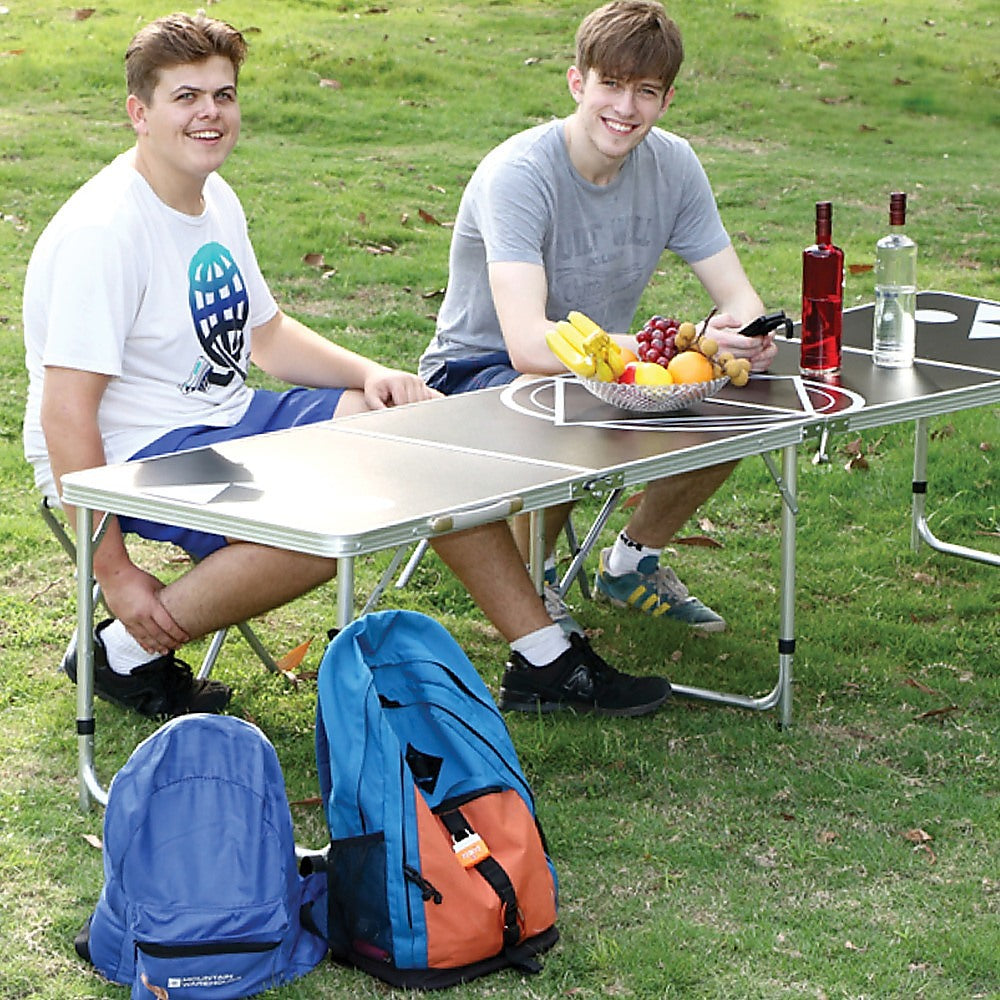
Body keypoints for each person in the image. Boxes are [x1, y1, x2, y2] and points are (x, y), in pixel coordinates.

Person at [22, 12, 670, 721]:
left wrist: (371, 376)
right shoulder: (104, 231)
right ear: (139, 113)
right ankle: (123, 651)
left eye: (223, 95)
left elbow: (266, 336)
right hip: (135, 451)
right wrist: (114, 572)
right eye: (187, 97)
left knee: (421, 428)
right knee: (337, 514)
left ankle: (543, 660)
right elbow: (66, 416)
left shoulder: (212, 198)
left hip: (221, 417)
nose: (210, 113)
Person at [418, 0, 778, 635]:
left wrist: (744, 338)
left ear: (666, 100)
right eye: (611, 83)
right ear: (576, 82)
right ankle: (531, 586)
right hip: (474, 372)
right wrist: (665, 347)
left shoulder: (674, 165)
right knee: (570, 400)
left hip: (604, 370)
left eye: (646, 91)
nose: (625, 107)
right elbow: (529, 345)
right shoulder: (519, 175)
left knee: (730, 398)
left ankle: (633, 561)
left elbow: (740, 300)